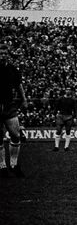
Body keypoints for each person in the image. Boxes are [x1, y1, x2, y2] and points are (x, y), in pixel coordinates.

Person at [1, 49, 27, 177]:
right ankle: (2, 166)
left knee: (16, 134)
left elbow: (18, 85)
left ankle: (13, 164)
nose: (3, 55)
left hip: (8, 105)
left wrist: (24, 99)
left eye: (5, 53)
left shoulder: (12, 69)